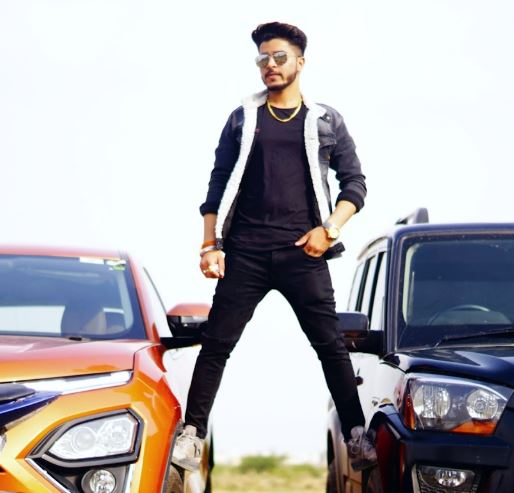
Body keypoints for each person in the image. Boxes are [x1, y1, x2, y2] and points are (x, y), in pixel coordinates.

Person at [173, 21, 377, 472]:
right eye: (263, 58)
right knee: (216, 343)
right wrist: (209, 245)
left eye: (279, 57)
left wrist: (329, 230)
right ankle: (192, 435)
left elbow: (355, 184)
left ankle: (356, 435)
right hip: (244, 251)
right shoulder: (242, 118)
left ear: (300, 62)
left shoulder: (325, 120)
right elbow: (217, 183)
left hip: (304, 252)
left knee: (330, 344)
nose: (270, 65)